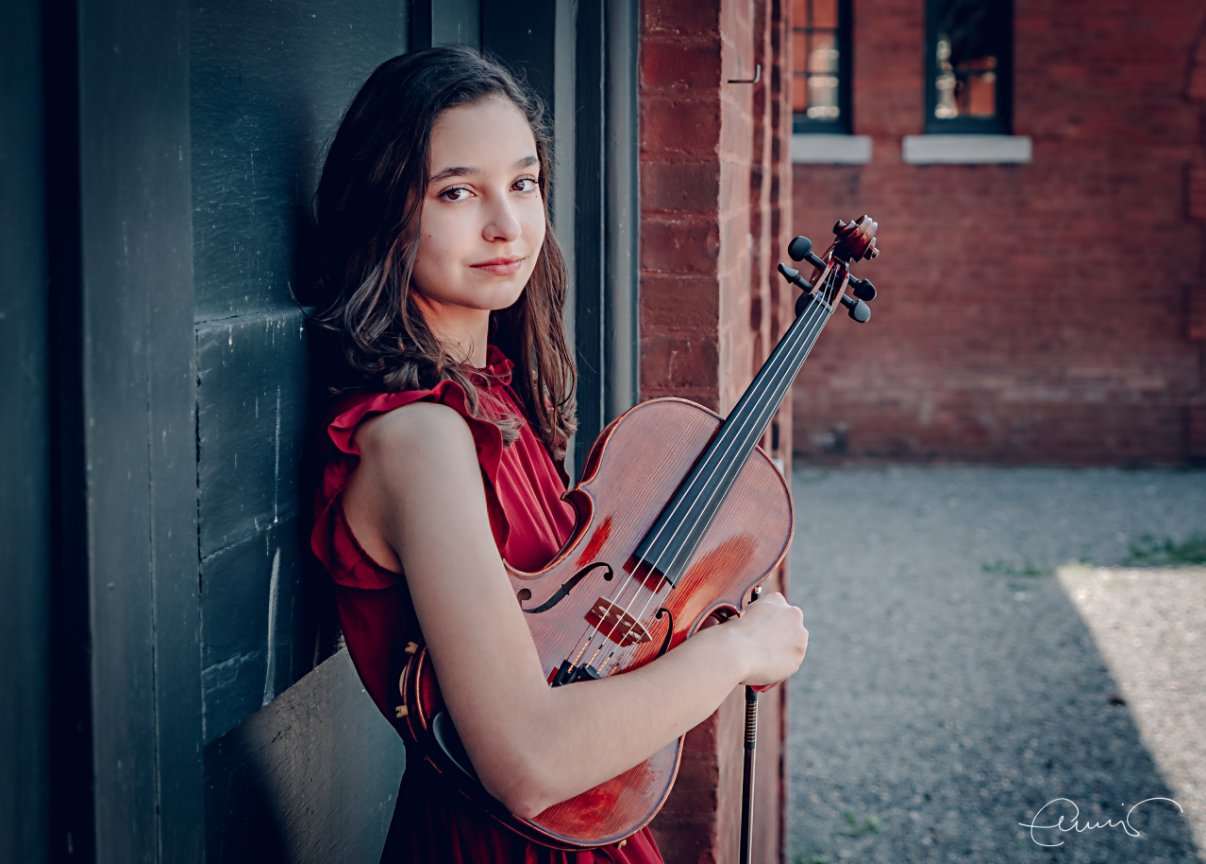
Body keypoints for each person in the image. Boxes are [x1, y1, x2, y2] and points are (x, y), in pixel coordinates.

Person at [304, 45, 809, 863]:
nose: (507, 225)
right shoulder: (419, 438)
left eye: (525, 183)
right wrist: (735, 651)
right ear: (381, 207)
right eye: (457, 191)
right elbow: (530, 761)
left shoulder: (490, 399)